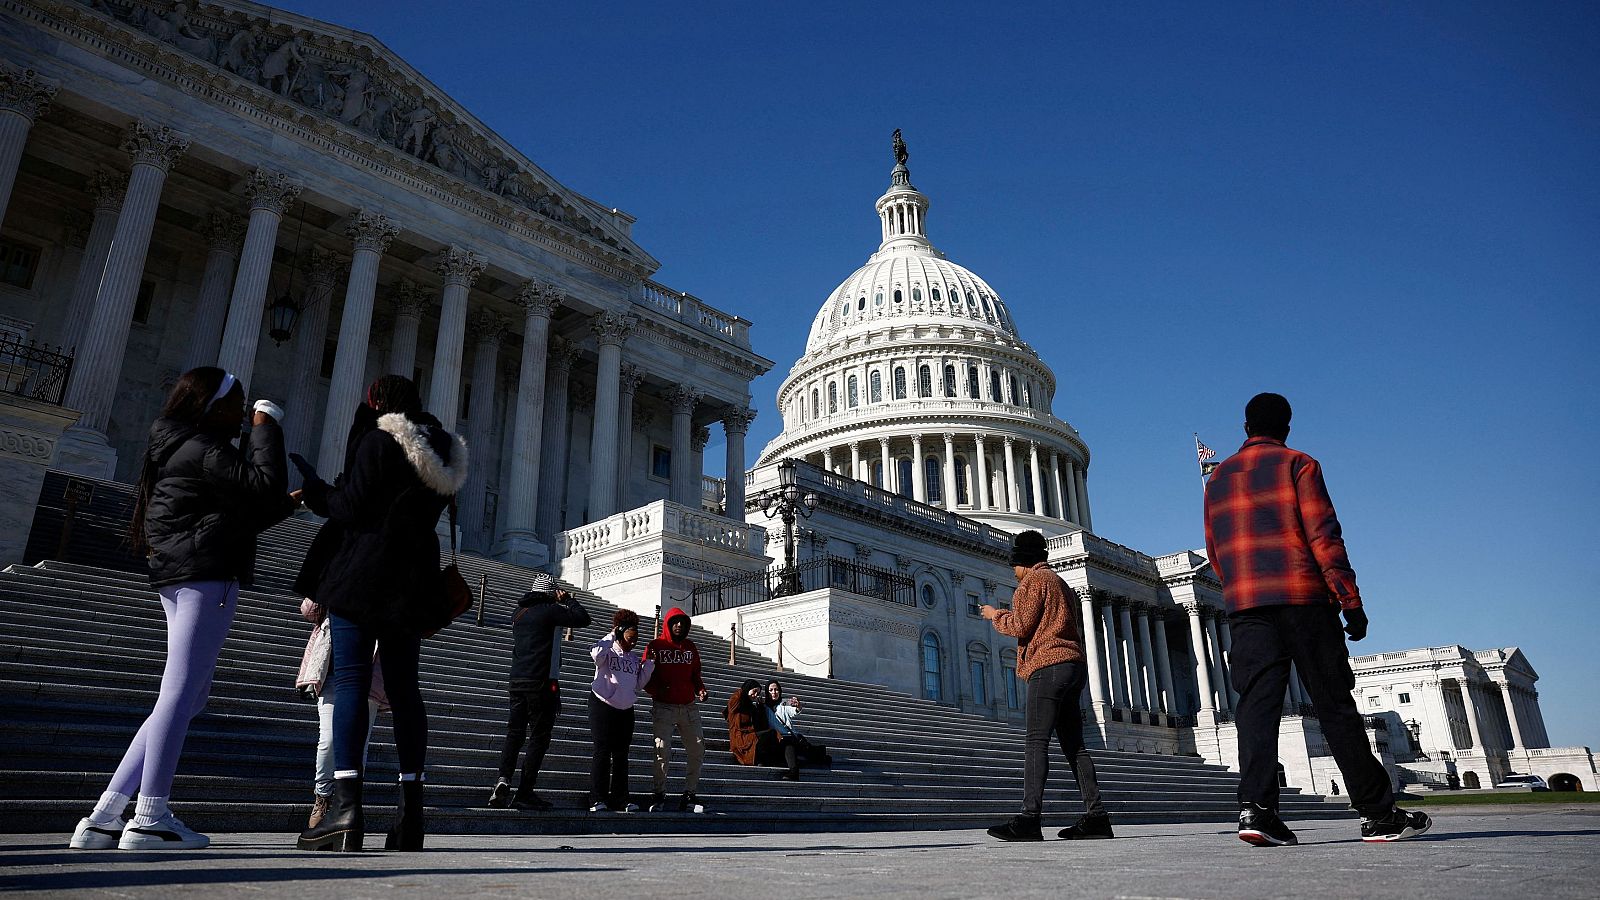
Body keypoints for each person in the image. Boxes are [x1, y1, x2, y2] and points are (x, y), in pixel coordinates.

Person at [69, 367, 290, 851]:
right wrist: (266, 425)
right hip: (205, 573)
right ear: (213, 406)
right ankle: (150, 816)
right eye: (237, 403)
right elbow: (264, 482)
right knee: (181, 691)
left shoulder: (180, 446)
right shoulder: (206, 448)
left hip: (180, 569)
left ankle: (105, 814)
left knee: (188, 695)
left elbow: (244, 508)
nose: (242, 411)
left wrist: (288, 505)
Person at [1204, 392, 1431, 845]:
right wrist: (1350, 599)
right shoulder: (1299, 464)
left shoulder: (1219, 477)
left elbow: (1215, 549)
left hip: (1247, 604)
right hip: (1303, 597)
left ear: (1245, 426)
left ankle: (1256, 810)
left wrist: (1238, 593)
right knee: (1334, 705)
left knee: (1256, 708)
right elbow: (1323, 534)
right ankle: (1377, 814)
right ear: (1286, 426)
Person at [294, 375, 467, 853]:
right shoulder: (444, 455)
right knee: (405, 689)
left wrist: (315, 491)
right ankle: (411, 816)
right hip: (412, 580)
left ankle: (346, 809)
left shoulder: (378, 440)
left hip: (364, 572)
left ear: (375, 402)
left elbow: (351, 507)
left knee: (350, 680)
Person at [981, 530, 1112, 842]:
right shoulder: (1061, 584)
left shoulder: (1031, 583)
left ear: (1024, 563)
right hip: (1073, 666)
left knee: (1036, 741)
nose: (1012, 571)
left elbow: (1021, 625)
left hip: (1048, 666)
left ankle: (1029, 817)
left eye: (1014, 565)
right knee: (1074, 745)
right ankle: (1096, 816)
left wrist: (994, 615)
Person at [489, 572, 591, 810]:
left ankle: (503, 779)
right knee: (538, 738)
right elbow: (582, 618)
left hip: (517, 681)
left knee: (514, 734)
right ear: (550, 592)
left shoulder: (519, 613)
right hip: (541, 682)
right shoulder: (549, 610)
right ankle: (525, 791)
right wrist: (567, 600)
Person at [297, 597, 386, 828]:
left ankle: (348, 802)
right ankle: (323, 796)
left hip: (368, 675)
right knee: (328, 740)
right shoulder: (340, 574)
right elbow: (309, 611)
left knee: (360, 746)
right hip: (332, 673)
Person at [588, 609, 655, 813]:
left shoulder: (634, 659)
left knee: (621, 755)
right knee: (602, 752)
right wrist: (612, 635)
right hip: (603, 705)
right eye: (630, 637)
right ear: (620, 632)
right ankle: (597, 798)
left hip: (626, 709)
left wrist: (649, 664)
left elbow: (639, 684)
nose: (633, 642)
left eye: (636, 638)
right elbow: (595, 654)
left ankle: (621, 798)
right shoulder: (607, 651)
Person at [643, 607, 708, 813]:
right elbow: (645, 676)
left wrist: (700, 689)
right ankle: (658, 793)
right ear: (668, 624)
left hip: (688, 706)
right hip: (664, 706)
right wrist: (656, 690)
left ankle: (690, 793)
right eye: (675, 622)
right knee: (662, 750)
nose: (679, 625)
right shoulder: (656, 646)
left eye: (682, 622)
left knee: (697, 749)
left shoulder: (690, 647)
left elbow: (695, 674)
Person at [726, 680, 801, 781]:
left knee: (787, 742)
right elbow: (732, 706)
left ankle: (793, 770)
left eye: (758, 692)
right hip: (741, 739)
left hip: (752, 739)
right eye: (754, 691)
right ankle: (765, 759)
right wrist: (743, 691)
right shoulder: (736, 701)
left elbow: (761, 725)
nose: (756, 695)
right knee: (773, 734)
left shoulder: (754, 707)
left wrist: (760, 708)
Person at [764, 680, 831, 768]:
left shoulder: (784, 702)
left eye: (776, 689)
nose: (774, 692)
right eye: (771, 690)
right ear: (767, 692)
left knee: (805, 753)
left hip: (789, 736)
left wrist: (798, 706)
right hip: (777, 738)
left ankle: (820, 755)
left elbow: (794, 710)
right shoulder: (764, 706)